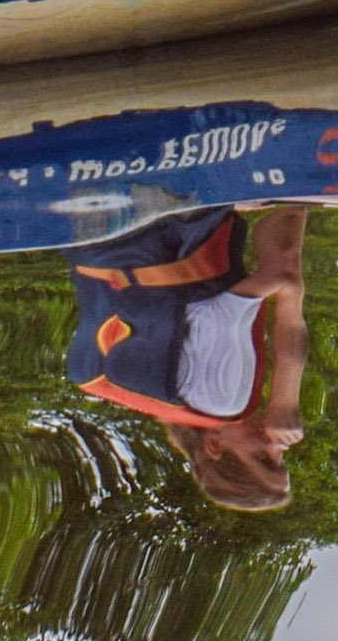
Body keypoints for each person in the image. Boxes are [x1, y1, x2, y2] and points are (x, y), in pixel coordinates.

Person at [64, 202, 311, 513]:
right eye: (281, 460)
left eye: (263, 459)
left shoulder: (224, 402)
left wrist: (284, 403)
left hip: (156, 215)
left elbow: (284, 273)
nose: (278, 446)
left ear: (214, 446)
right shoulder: (165, 397)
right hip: (83, 233)